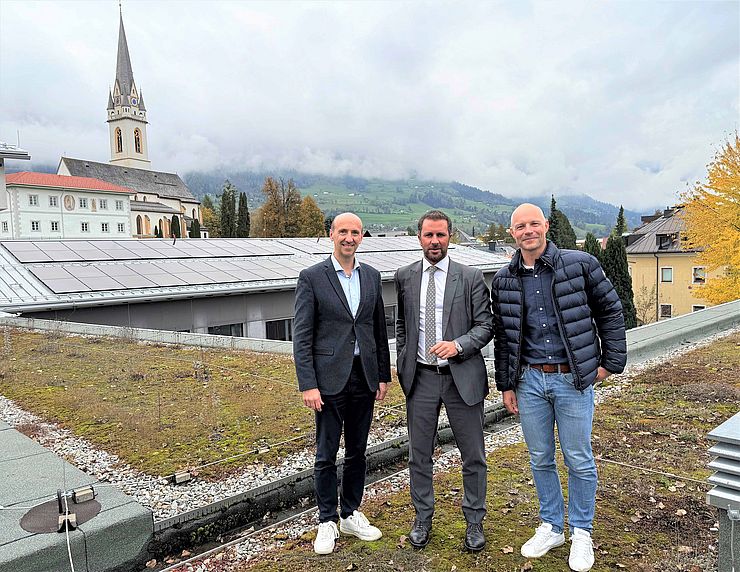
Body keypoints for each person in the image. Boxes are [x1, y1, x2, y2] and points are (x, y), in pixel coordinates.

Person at [490, 203, 626, 572]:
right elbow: (504, 337)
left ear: (546, 226)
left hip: (572, 378)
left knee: (578, 458)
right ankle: (552, 525)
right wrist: (506, 384)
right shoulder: (504, 279)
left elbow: (611, 312)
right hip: (530, 380)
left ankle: (581, 531)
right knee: (540, 458)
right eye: (520, 226)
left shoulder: (580, 264)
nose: (528, 230)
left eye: (534, 223)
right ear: (512, 232)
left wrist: (609, 363)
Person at [293, 212, 392, 555]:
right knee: (325, 453)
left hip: (363, 377)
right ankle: (326, 520)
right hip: (328, 380)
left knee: (358, 452)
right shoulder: (312, 277)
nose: (349, 237)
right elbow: (302, 335)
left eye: (355, 232)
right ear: (331, 235)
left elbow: (378, 330)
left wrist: (383, 374)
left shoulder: (372, 276)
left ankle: (350, 513)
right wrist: (308, 383)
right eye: (343, 231)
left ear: (361, 236)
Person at [395, 210, 493, 552]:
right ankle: (423, 517)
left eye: (440, 235)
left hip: (460, 379)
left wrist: (458, 345)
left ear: (450, 236)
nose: (434, 241)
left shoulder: (470, 277)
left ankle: (474, 520)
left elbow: (486, 326)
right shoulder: (404, 277)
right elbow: (402, 327)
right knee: (419, 455)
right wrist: (402, 362)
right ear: (419, 237)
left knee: (473, 456)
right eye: (428, 235)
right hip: (420, 379)